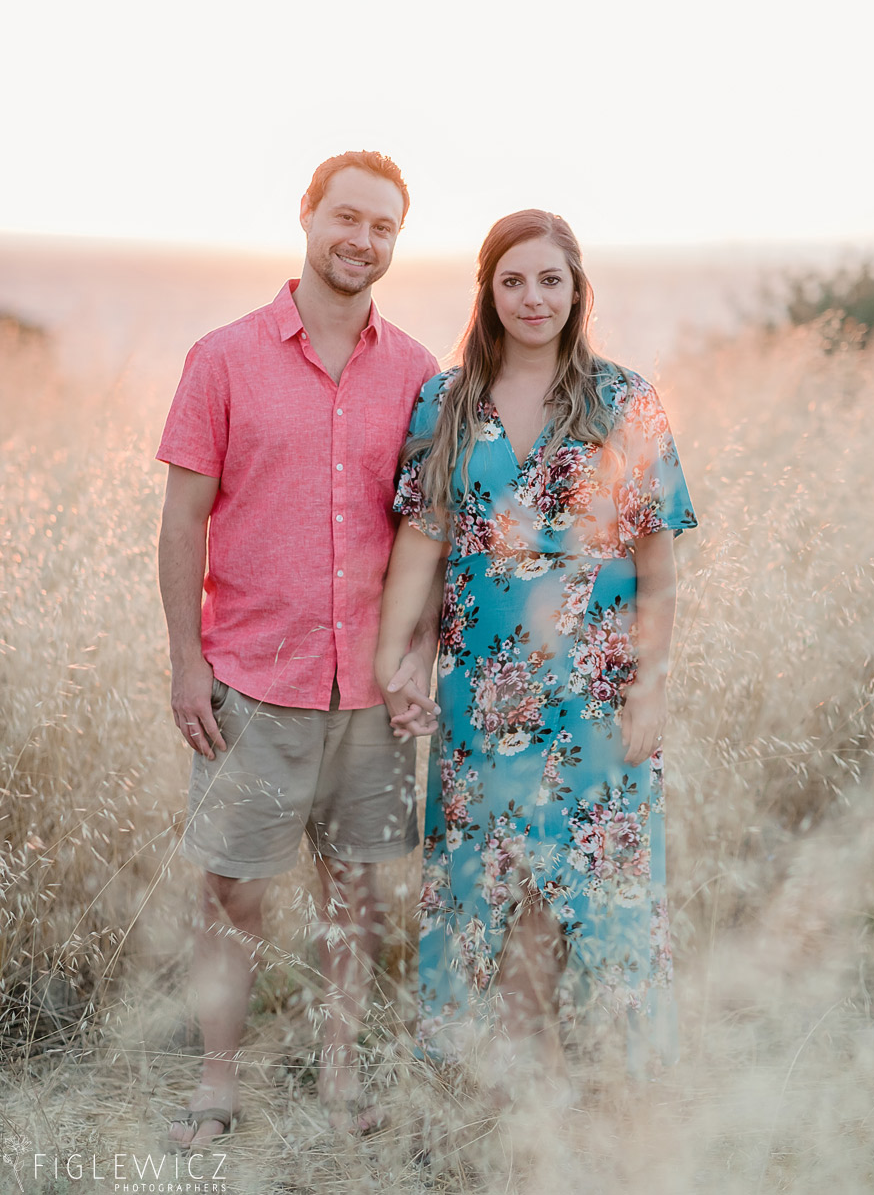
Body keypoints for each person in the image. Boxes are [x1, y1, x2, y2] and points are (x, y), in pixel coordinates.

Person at [375, 209, 697, 1092]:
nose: (532, 297)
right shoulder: (446, 401)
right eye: (513, 280)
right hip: (478, 698)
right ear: (488, 291)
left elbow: (658, 565)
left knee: (610, 888)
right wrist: (393, 660)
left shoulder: (623, 399)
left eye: (549, 279)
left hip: (597, 697)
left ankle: (637, 1091)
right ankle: (461, 1092)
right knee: (473, 886)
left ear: (576, 289)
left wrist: (650, 691)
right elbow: (422, 541)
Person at [157, 150, 440, 1146]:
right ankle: (217, 1082)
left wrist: (415, 656)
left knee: (353, 890)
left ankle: (339, 1068)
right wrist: (189, 663)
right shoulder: (222, 358)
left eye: (384, 227)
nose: (363, 241)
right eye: (348, 218)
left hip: (365, 687)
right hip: (252, 678)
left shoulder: (417, 373)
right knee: (233, 891)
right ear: (308, 215)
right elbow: (184, 521)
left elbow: (427, 530)